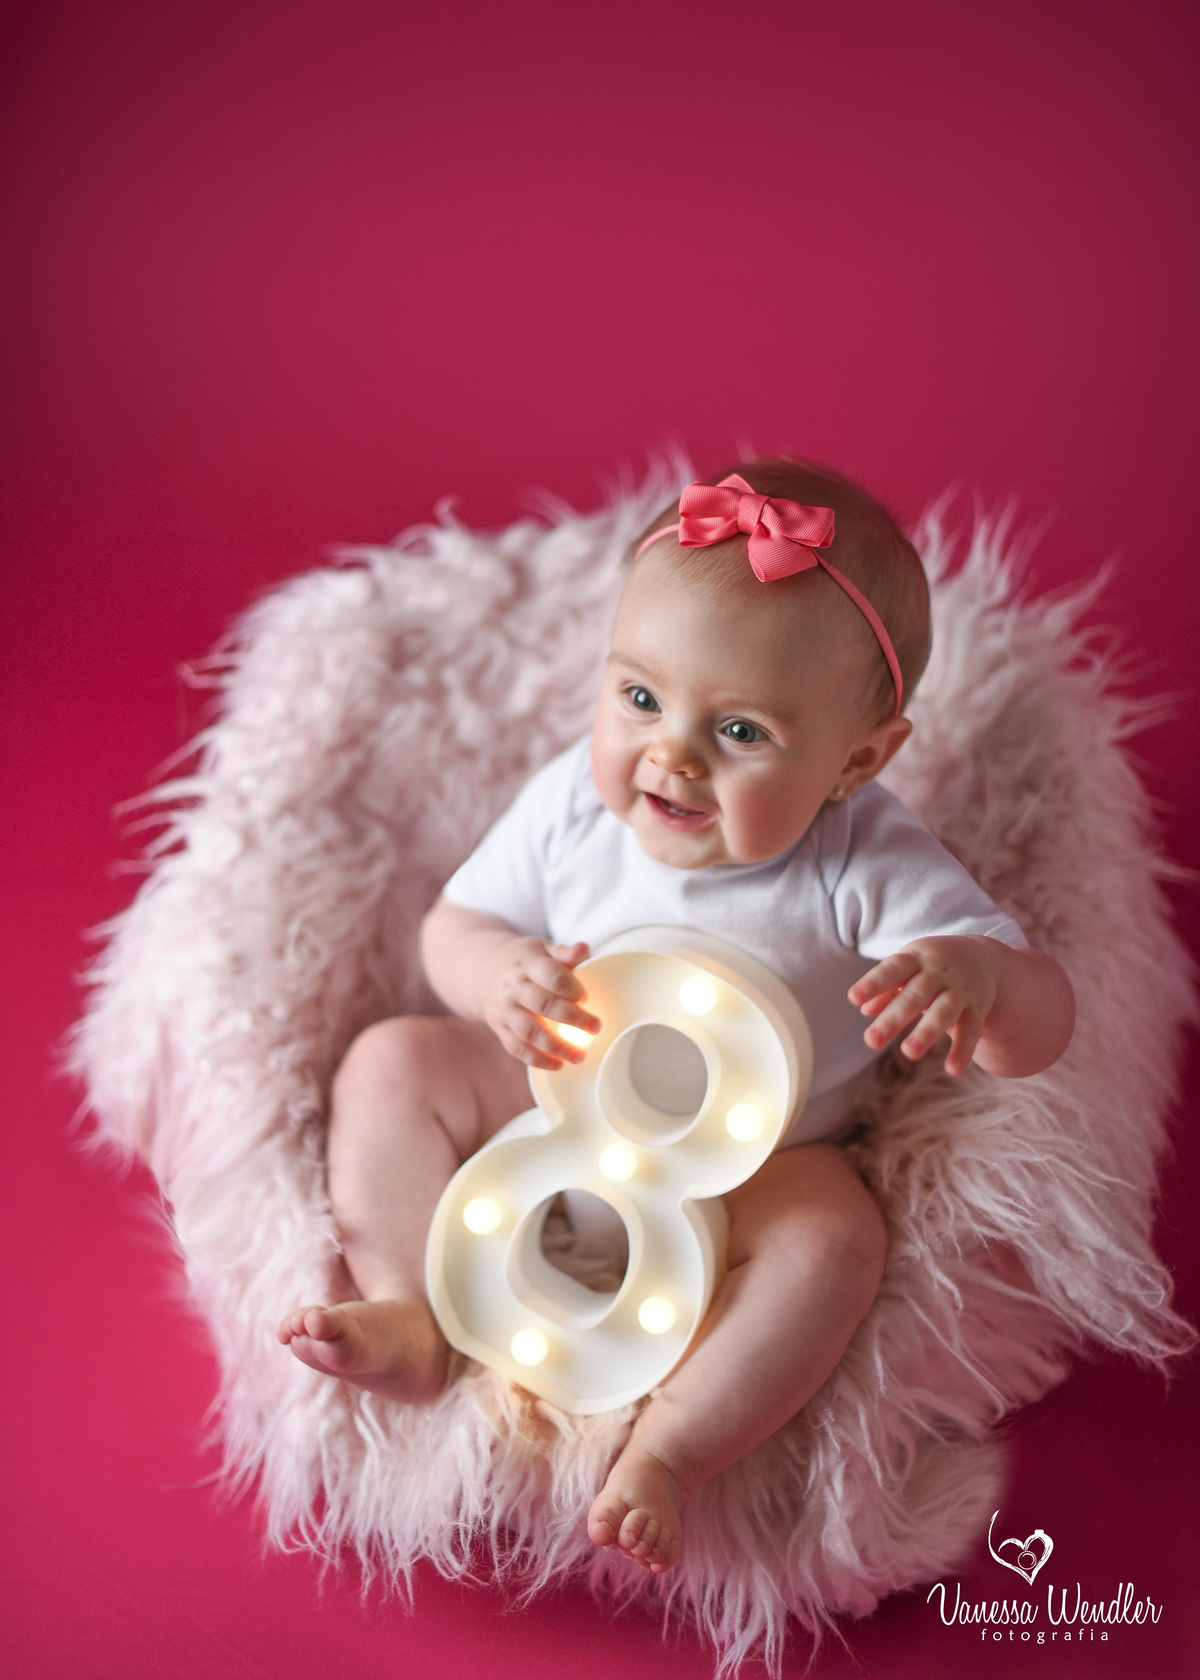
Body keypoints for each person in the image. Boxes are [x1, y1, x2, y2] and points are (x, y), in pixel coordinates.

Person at [277, 458, 1075, 1575]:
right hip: (557, 1096)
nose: (675, 754)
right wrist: (497, 973)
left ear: (855, 760)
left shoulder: (864, 860)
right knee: (391, 1062)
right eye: (640, 698)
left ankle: (672, 1447)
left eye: (741, 731)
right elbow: (453, 926)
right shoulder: (573, 801)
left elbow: (1043, 1031)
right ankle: (411, 1305)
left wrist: (979, 980)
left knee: (835, 1241)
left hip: (760, 1163)